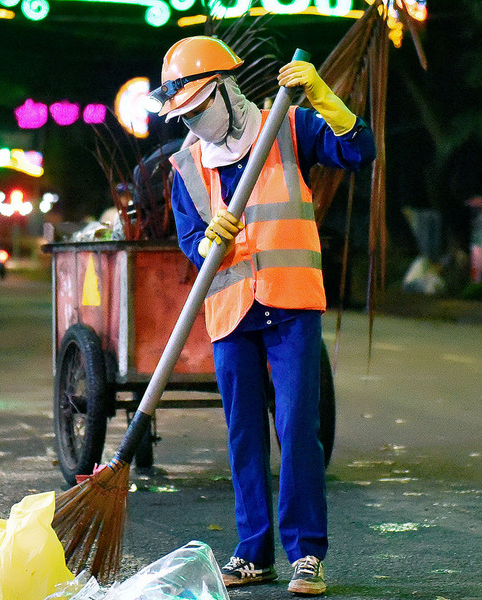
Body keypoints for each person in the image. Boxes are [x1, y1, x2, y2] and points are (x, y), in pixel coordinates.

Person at [145, 36, 376, 595]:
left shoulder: (290, 128)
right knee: (244, 435)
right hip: (231, 312)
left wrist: (322, 95)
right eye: (185, 115)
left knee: (297, 429)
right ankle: (253, 553)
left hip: (290, 301)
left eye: (201, 108)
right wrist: (209, 243)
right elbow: (190, 239)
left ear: (227, 89)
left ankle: (307, 554)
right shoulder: (186, 164)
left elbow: (360, 150)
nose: (195, 122)